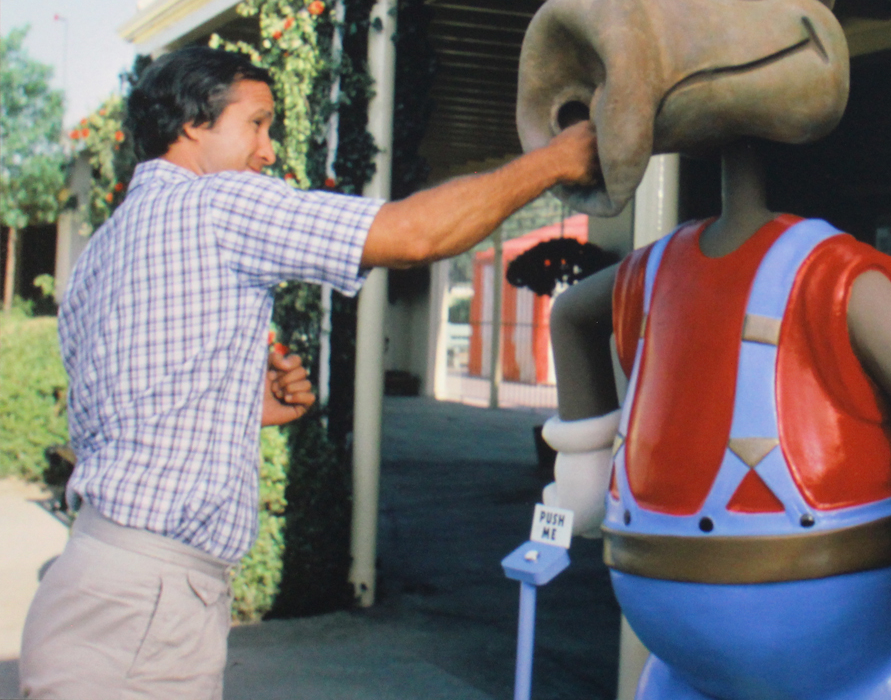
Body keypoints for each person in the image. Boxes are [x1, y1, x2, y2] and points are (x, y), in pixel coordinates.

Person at [19, 46, 598, 700]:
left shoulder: (101, 250)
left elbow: (125, 401)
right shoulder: (220, 205)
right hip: (150, 606)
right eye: (257, 123)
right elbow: (415, 234)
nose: (268, 151)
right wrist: (556, 160)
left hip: (91, 578)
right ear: (191, 124)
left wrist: (241, 399)